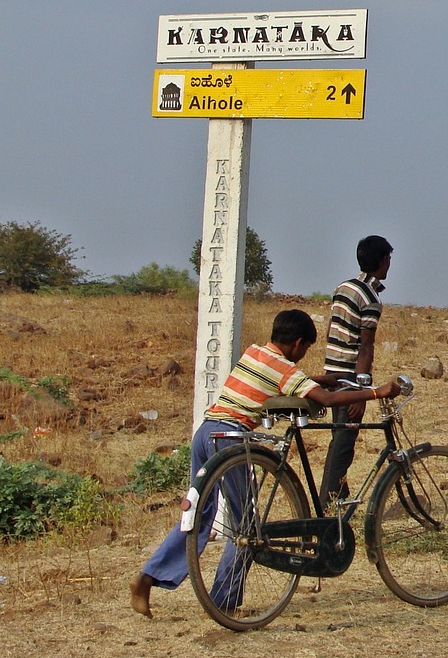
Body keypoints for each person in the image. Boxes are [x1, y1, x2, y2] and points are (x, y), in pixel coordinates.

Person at [129, 309, 404, 618]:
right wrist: (375, 392)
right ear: (298, 344)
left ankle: (149, 575)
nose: (302, 357)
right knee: (247, 525)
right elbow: (324, 401)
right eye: (305, 350)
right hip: (231, 439)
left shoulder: (254, 352)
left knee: (199, 514)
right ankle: (225, 601)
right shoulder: (286, 370)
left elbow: (275, 379)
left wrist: (317, 379)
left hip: (206, 433)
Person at [318, 235, 393, 510]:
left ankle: (339, 498)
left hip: (331, 373)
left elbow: (332, 330)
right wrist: (362, 392)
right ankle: (327, 504)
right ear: (383, 260)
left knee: (338, 440)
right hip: (349, 378)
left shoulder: (343, 288)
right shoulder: (371, 299)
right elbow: (365, 348)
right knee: (343, 445)